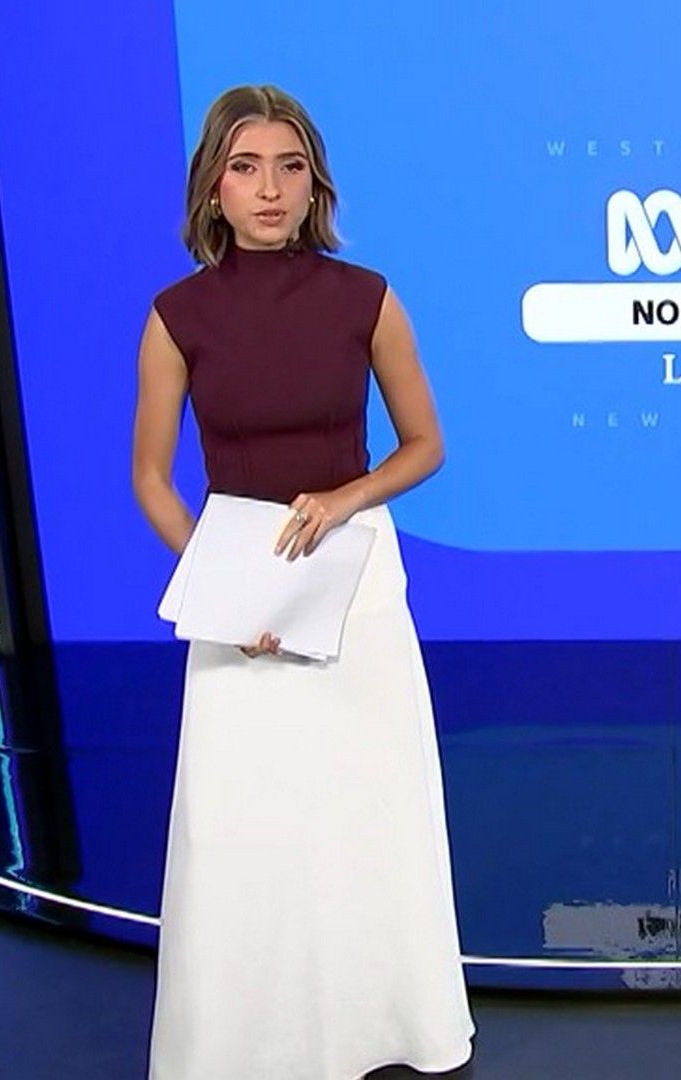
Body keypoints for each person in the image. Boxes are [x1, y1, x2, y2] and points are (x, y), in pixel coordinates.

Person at [131, 84, 476, 1078]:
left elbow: (424, 444)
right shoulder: (176, 317)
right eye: (246, 168)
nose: (270, 189)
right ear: (214, 187)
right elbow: (150, 478)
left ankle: (390, 1027)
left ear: (313, 184)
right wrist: (223, 589)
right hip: (239, 592)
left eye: (289, 168)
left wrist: (344, 498)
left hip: (354, 580)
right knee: (243, 828)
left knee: (369, 813)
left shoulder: (366, 298)